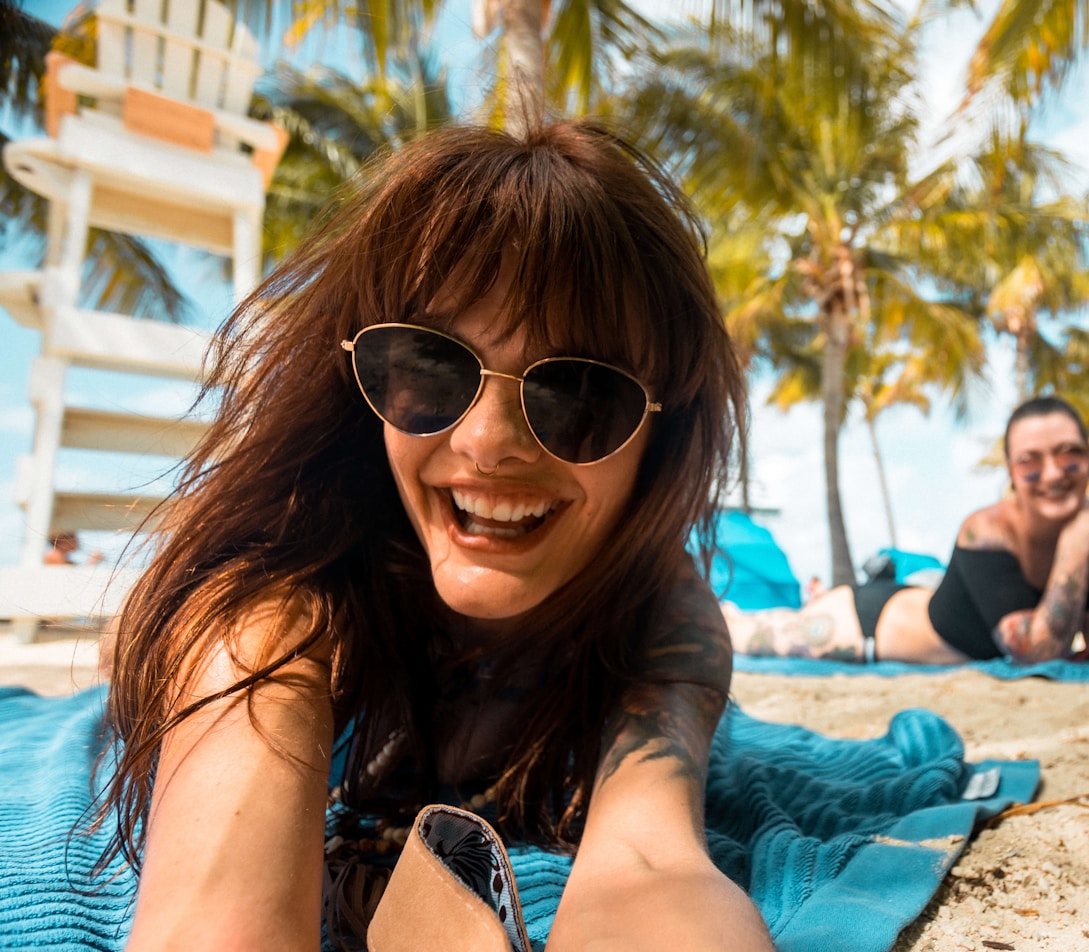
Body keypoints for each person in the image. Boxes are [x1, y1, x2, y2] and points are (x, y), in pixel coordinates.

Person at [18, 121, 771, 949]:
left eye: (579, 393)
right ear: (359, 385)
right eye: (428, 366)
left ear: (659, 440)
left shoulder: (666, 622)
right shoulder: (275, 604)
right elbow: (213, 915)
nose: (487, 441)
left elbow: (649, 862)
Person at [725, 397, 1089, 669]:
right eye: (1031, 461)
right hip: (861, 626)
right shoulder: (986, 530)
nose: (1052, 472)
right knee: (744, 636)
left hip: (910, 600)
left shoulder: (1087, 533)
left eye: (1069, 453)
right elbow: (1033, 653)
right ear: (1010, 471)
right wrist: (1075, 546)